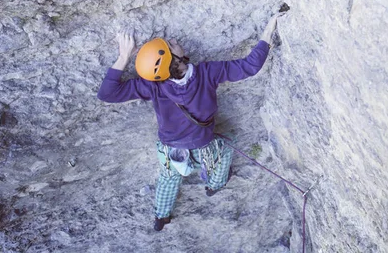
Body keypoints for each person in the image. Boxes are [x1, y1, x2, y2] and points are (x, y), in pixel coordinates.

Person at [97, 14, 280, 231]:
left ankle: (161, 216)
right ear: (175, 60)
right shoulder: (207, 72)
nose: (174, 41)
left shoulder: (152, 86)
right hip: (203, 143)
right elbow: (250, 66)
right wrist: (269, 29)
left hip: (171, 149)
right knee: (226, 146)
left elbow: (107, 94)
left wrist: (123, 56)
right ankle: (214, 185)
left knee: (168, 177)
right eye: (171, 45)